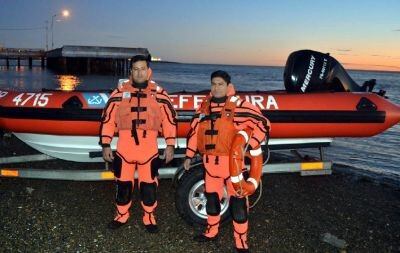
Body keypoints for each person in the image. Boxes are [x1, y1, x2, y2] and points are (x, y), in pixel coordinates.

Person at [184, 70, 270, 252]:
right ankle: (211, 231)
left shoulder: (240, 106)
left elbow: (264, 124)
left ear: (228, 86)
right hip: (210, 166)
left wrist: (251, 145)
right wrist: (189, 155)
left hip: (233, 168)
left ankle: (241, 240)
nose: (216, 87)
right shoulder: (203, 108)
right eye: (213, 84)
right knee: (212, 201)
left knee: (238, 205)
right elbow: (194, 133)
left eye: (220, 84)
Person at [99, 54, 177, 233]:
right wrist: (105, 144)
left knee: (149, 187)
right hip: (124, 150)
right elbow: (108, 120)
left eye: (142, 69)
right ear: (131, 72)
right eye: (136, 69)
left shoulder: (160, 95)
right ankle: (121, 215)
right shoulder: (119, 93)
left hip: (148, 151)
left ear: (149, 71)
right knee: (123, 186)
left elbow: (169, 121)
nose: (139, 73)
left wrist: (170, 145)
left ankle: (149, 216)